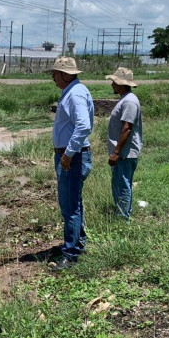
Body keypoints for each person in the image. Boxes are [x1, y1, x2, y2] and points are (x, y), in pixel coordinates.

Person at [49, 56, 94, 270]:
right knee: (73, 202)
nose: (53, 77)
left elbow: (83, 126)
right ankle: (77, 243)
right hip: (71, 155)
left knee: (70, 206)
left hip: (72, 157)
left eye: (55, 73)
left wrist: (68, 153)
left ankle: (71, 254)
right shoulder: (72, 91)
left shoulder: (75, 94)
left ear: (66, 75)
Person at [105, 67, 142, 220]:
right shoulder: (125, 99)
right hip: (122, 153)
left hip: (125, 154)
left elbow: (127, 128)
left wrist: (116, 152)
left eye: (114, 82)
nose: (112, 84)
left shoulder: (129, 102)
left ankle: (122, 218)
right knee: (120, 184)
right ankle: (123, 213)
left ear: (122, 83)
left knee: (122, 185)